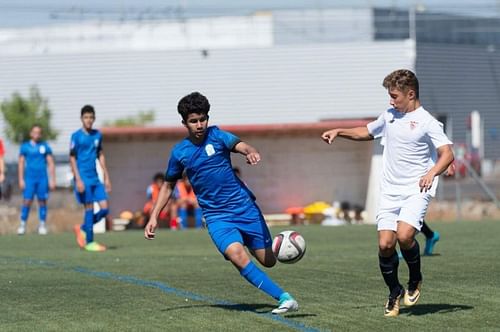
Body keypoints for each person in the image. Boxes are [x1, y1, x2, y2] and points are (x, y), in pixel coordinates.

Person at [144, 92, 298, 314]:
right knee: (236, 255)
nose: (199, 125)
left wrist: (251, 152)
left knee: (268, 261)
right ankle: (284, 298)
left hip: (244, 208)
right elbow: (168, 186)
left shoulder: (217, 136)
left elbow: (241, 145)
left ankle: (282, 243)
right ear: (184, 122)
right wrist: (154, 216)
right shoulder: (179, 152)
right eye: (193, 121)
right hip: (217, 216)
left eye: (203, 119)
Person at [321, 69, 454, 317]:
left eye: (394, 96)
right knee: (385, 245)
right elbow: (367, 132)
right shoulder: (390, 115)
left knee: (405, 236)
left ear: (410, 94)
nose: (391, 101)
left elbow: (447, 153)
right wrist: (339, 131)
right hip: (390, 190)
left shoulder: (427, 122)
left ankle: (415, 279)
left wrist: (431, 172)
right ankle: (394, 291)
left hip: (417, 188)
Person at [70, 105, 112, 252]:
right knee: (89, 207)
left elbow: (100, 155)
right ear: (81, 119)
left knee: (105, 209)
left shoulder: (97, 135)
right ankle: (89, 242)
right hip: (83, 178)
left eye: (91, 117)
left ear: (94, 119)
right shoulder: (76, 136)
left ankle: (82, 228)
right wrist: (78, 179)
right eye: (86, 117)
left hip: (95, 178)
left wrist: (106, 176)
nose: (88, 120)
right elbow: (72, 158)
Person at [17, 125, 56, 235]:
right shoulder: (25, 147)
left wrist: (53, 179)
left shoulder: (45, 146)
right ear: (31, 133)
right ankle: (23, 224)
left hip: (42, 178)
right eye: (34, 132)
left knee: (42, 201)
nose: (36, 134)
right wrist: (20, 179)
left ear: (41, 134)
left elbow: (51, 163)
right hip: (29, 178)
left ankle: (42, 224)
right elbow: (21, 163)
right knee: (27, 200)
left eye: (39, 132)